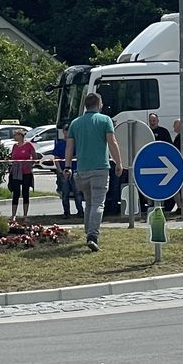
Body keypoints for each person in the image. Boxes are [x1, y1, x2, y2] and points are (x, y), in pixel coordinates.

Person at [65, 92, 123, 251]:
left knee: (89, 202)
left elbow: (69, 147)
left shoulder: (75, 123)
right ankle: (92, 236)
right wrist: (118, 163)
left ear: (85, 105)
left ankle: (88, 231)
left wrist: (67, 167)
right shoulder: (105, 120)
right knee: (98, 203)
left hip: (82, 169)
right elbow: (112, 142)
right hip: (100, 168)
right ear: (99, 104)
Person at [9, 128, 39, 223]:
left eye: (16, 135)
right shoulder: (14, 146)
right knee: (16, 193)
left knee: (25, 193)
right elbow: (12, 157)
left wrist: (29, 165)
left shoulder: (29, 145)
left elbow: (35, 158)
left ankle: (25, 215)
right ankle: (13, 215)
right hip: (16, 172)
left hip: (26, 172)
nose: (14, 137)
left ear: (21, 136)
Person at [53, 126, 83, 219]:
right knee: (65, 194)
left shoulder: (76, 143)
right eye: (65, 131)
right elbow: (56, 158)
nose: (67, 133)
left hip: (75, 171)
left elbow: (79, 155)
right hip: (63, 172)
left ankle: (80, 212)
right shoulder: (59, 144)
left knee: (77, 193)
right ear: (63, 132)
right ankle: (66, 212)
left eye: (69, 131)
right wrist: (59, 170)